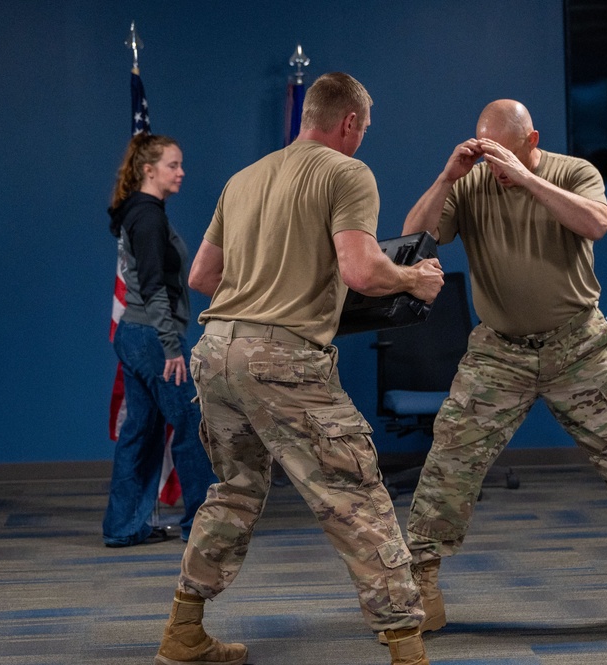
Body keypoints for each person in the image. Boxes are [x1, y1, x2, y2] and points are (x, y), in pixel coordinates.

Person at [397, 99, 607, 638]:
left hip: (579, 347)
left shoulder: (574, 172)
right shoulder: (471, 183)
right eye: (485, 152)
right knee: (449, 465)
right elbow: (414, 239)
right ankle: (424, 575)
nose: (492, 165)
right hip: (499, 352)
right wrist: (448, 176)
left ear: (531, 141)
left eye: (503, 152)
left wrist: (526, 180)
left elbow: (595, 223)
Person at [153, 72, 444, 665]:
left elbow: (203, 279)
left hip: (216, 351)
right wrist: (416, 278)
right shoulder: (347, 172)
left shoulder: (243, 179)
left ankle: (183, 631)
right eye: (364, 128)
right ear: (351, 123)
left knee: (235, 490)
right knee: (357, 498)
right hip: (281, 360)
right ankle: (408, 652)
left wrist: (267, 284)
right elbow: (363, 271)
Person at [104, 133, 218, 548]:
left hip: (134, 335)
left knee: (142, 430)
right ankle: (201, 528)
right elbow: (153, 288)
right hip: (153, 337)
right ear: (149, 170)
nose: (181, 172)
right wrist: (172, 347)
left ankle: (124, 526)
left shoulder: (139, 212)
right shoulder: (148, 216)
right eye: (173, 165)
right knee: (192, 422)